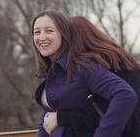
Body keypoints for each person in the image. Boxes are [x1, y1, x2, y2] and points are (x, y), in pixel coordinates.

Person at [32, 9, 139, 137]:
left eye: (49, 30)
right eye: (36, 32)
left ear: (64, 35)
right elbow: (46, 118)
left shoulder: (83, 67)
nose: (42, 37)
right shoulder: (51, 72)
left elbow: (124, 96)